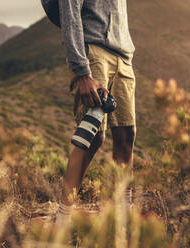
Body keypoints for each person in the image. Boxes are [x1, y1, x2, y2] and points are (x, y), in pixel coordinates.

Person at [55, 0, 136, 224]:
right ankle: (63, 220)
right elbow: (70, 15)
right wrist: (82, 72)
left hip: (123, 57)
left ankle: (123, 219)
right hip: (94, 53)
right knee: (92, 137)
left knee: (126, 136)